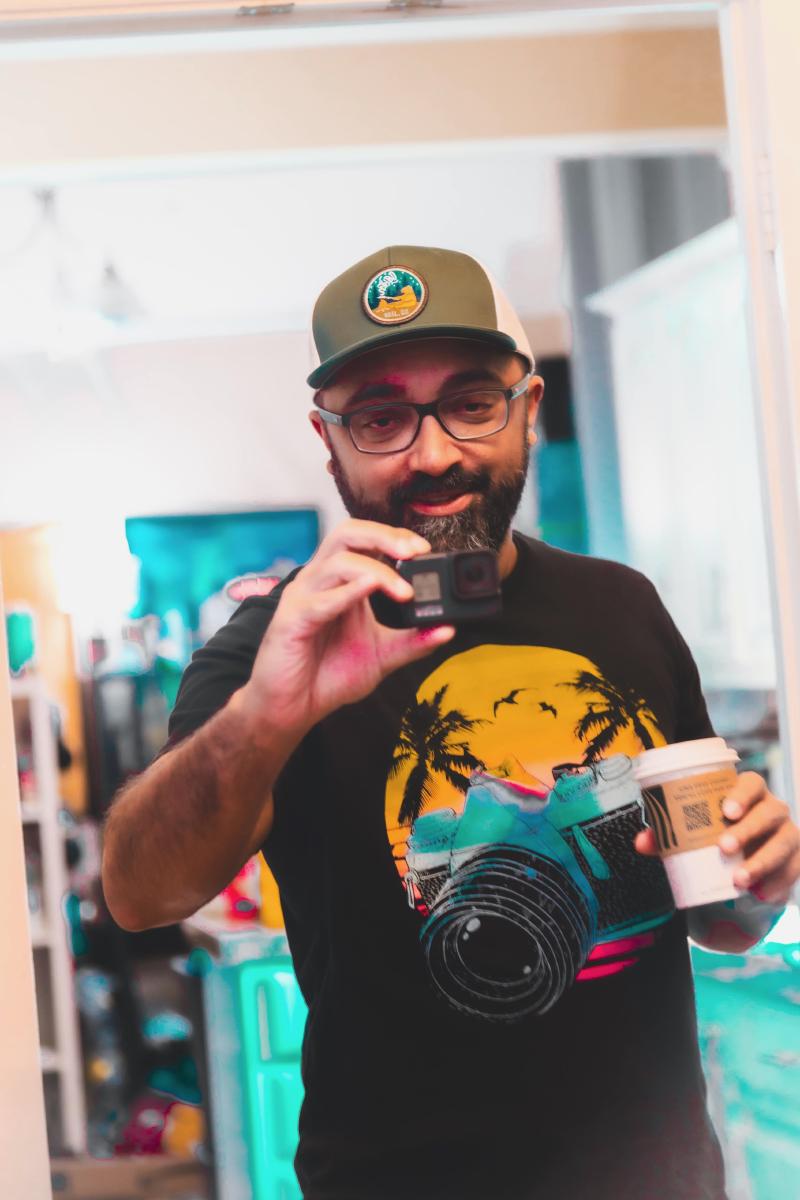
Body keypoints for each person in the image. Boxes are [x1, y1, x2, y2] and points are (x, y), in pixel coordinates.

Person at [102, 246, 800, 1200]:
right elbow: (140, 895)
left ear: (528, 409)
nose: (434, 455)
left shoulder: (623, 608)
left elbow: (718, 922)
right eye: (382, 418)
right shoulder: (272, 651)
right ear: (329, 438)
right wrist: (269, 713)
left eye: (472, 402)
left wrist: (758, 882)